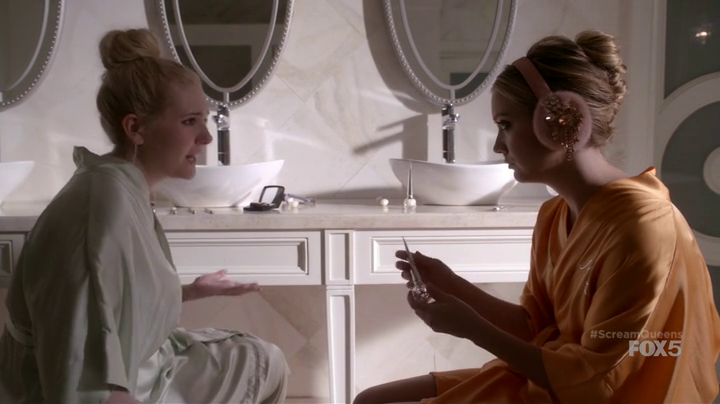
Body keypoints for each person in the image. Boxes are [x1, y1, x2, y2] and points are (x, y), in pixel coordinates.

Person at [354, 30, 720, 403]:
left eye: (505, 124)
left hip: (601, 395)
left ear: (562, 122)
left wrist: (472, 329)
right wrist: (452, 284)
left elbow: (600, 383)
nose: (498, 145)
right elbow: (534, 327)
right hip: (554, 381)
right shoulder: (554, 215)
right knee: (371, 399)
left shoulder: (643, 227)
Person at [0, 28, 290, 403]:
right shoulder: (102, 209)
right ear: (135, 128)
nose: (205, 137)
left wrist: (188, 291)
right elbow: (84, 372)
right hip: (66, 388)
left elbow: (111, 302)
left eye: (204, 119)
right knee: (257, 363)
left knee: (261, 359)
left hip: (136, 364)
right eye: (189, 121)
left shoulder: (121, 187)